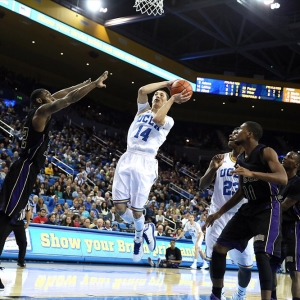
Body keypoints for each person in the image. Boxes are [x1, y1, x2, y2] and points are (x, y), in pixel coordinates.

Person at [0, 71, 108, 290]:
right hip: (24, 168)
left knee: (8, 219)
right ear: (40, 100)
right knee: (6, 218)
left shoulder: (40, 109)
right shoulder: (40, 112)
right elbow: (68, 99)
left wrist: (81, 82)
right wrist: (94, 85)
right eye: (49, 95)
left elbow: (62, 93)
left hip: (28, 170)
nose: (53, 96)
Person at [206, 121, 287, 300]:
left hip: (268, 207)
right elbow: (242, 191)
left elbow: (282, 178)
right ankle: (216, 295)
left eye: (240, 130)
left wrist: (253, 174)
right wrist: (218, 213)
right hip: (248, 208)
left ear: (249, 134)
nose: (235, 133)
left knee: (261, 254)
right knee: (219, 248)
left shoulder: (266, 152)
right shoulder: (242, 160)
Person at [112, 79, 190, 262]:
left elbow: (158, 119)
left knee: (137, 211)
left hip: (145, 162)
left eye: (161, 95)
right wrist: (167, 83)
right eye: (156, 94)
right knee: (120, 208)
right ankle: (145, 229)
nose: (157, 95)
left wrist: (171, 99)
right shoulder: (142, 110)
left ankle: (138, 237)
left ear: (167, 102)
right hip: (128, 156)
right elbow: (141, 89)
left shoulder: (169, 120)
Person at [200, 128, 254, 300]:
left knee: (246, 265)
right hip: (217, 216)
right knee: (214, 259)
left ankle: (240, 293)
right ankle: (219, 292)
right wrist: (212, 169)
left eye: (236, 133)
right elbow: (202, 185)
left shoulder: (252, 161)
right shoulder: (220, 158)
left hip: (241, 217)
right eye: (230, 133)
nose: (231, 135)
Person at [272, 151, 300, 300]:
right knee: (271, 267)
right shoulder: (278, 181)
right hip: (277, 229)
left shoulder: (297, 183)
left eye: (290, 157)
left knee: (293, 270)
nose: (285, 158)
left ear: (296, 164)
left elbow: (283, 207)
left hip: (292, 230)